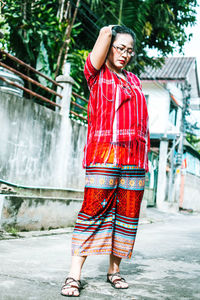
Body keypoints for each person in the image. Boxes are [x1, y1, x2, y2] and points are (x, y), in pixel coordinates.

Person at [61, 24, 150, 297]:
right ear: (110, 47)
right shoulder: (95, 73)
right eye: (120, 48)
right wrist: (112, 30)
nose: (125, 54)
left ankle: (114, 270)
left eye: (130, 51)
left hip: (133, 159)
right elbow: (102, 34)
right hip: (103, 154)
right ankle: (73, 275)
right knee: (92, 212)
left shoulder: (134, 80)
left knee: (126, 216)